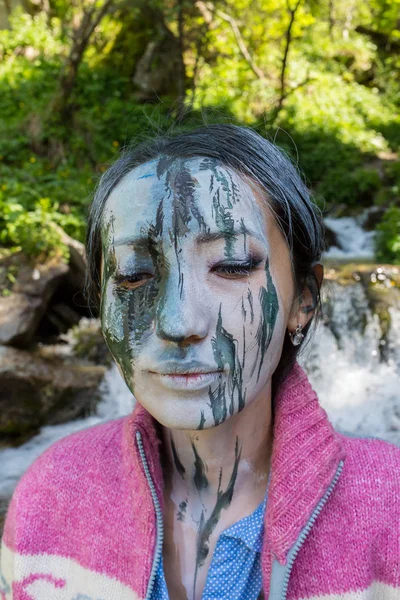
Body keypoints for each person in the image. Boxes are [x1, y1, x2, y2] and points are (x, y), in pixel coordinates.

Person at [1, 124, 400, 600]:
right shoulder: (53, 495)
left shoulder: (389, 509)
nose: (178, 320)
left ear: (305, 299)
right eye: (134, 274)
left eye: (231, 265)